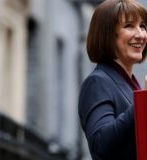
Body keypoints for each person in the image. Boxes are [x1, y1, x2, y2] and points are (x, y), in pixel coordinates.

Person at [78, 0, 147, 160]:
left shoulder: (131, 85)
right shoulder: (98, 82)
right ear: (107, 34)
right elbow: (100, 143)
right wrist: (142, 103)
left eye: (143, 26)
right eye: (129, 26)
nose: (140, 34)